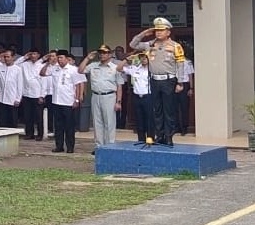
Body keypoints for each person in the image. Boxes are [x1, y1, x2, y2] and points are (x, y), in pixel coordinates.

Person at [129, 17, 185, 146]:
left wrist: (180, 82)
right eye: (156, 30)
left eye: (162, 30)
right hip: (154, 80)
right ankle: (159, 136)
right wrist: (144, 33)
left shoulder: (175, 46)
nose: (158, 32)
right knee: (157, 110)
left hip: (168, 80)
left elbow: (180, 65)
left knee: (169, 110)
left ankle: (169, 136)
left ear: (168, 32)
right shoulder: (151, 44)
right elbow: (133, 45)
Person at [77, 44, 123, 152]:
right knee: (97, 123)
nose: (102, 55)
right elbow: (80, 70)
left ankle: (110, 146)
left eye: (105, 53)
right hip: (96, 95)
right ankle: (99, 146)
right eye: (101, 53)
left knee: (109, 122)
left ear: (110, 54)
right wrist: (87, 58)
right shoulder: (94, 65)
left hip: (109, 96)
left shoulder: (115, 68)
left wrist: (118, 102)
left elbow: (119, 86)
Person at [41, 49, 86, 153]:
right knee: (58, 126)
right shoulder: (55, 69)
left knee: (69, 126)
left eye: (61, 58)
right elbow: (42, 74)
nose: (59, 60)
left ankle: (70, 147)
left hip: (68, 101)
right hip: (56, 101)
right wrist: (48, 63)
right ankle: (59, 146)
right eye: (58, 58)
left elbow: (79, 84)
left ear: (66, 58)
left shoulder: (73, 69)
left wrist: (77, 99)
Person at [116, 52, 155, 143]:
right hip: (137, 97)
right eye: (141, 58)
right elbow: (119, 68)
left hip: (148, 96)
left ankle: (151, 139)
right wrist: (126, 59)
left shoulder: (152, 70)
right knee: (139, 119)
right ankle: (141, 140)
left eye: (145, 58)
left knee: (149, 119)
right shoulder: (135, 68)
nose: (143, 60)